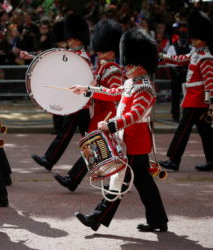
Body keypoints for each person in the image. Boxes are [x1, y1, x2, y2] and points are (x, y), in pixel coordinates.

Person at [70, 28, 168, 232]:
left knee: (119, 180)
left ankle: (97, 218)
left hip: (134, 142)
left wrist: (112, 125)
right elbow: (111, 92)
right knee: (142, 183)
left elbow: (134, 115)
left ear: (141, 66)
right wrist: (87, 89)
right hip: (128, 141)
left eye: (130, 64)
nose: (127, 67)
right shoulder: (132, 83)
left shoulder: (145, 88)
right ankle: (158, 220)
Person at [53, 18, 124, 192]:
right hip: (97, 111)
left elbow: (115, 94)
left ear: (111, 50)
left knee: (94, 146)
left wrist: (91, 90)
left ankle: (73, 179)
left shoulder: (113, 70)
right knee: (98, 147)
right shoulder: (103, 67)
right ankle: (121, 179)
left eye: (102, 49)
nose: (98, 51)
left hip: (107, 113)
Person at [31, 13, 92, 171]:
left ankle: (49, 159)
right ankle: (93, 160)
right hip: (77, 101)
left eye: (72, 38)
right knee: (88, 138)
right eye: (69, 38)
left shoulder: (82, 57)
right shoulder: (75, 55)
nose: (69, 41)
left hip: (78, 102)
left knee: (66, 133)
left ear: (79, 39)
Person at [159, 9, 213, 172]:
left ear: (204, 39)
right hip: (193, 98)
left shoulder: (206, 57)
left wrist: (210, 103)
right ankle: (212, 160)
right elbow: (181, 59)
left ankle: (174, 159)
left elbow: (210, 83)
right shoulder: (197, 53)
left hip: (197, 100)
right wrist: (164, 56)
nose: (193, 40)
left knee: (183, 129)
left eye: (196, 38)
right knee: (205, 132)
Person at [166, 23, 191, 122]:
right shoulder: (172, 48)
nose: (183, 42)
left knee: (186, 97)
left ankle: (186, 116)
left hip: (186, 75)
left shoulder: (190, 48)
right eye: (182, 39)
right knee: (175, 96)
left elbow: (192, 60)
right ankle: (175, 116)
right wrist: (176, 68)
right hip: (176, 74)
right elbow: (168, 61)